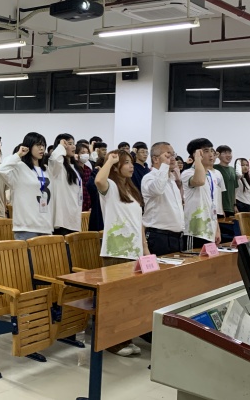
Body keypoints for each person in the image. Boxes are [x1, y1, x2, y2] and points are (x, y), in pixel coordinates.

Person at [94, 150, 146, 357]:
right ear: (116, 167)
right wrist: (110, 161)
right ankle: (113, 343)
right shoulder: (110, 186)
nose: (131, 166)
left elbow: (139, 222)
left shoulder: (131, 189)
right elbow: (98, 180)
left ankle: (126, 338)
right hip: (116, 250)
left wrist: (145, 248)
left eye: (131, 162)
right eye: (126, 163)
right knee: (116, 300)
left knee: (130, 300)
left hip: (134, 251)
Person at [0, 132, 53, 240]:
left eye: (43, 145)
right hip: (26, 227)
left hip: (45, 225)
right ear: (29, 146)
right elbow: (1, 169)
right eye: (38, 145)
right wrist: (18, 155)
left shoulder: (45, 169)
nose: (42, 148)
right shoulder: (19, 167)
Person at [141, 142, 184, 256]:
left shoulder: (172, 179)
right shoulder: (149, 177)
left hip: (176, 237)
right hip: (159, 236)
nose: (173, 158)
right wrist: (165, 165)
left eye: (173, 154)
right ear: (155, 159)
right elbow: (158, 189)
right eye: (168, 155)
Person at [182, 138, 221, 249]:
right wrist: (197, 160)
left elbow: (213, 203)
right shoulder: (188, 173)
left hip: (210, 229)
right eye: (206, 151)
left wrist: (216, 228)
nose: (211, 155)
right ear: (196, 154)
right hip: (195, 231)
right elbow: (199, 181)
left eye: (212, 151)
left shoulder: (212, 175)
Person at [48, 134, 83, 235]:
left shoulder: (74, 166)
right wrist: (61, 146)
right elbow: (55, 159)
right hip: (62, 220)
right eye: (69, 144)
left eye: (74, 144)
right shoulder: (57, 167)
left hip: (74, 216)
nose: (74, 147)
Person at [213, 145, 237, 217]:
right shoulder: (214, 168)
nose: (228, 155)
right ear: (218, 155)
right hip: (219, 206)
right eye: (224, 153)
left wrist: (235, 205)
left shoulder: (232, 169)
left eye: (229, 153)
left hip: (231, 207)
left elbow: (234, 189)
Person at [77, 143, 93, 211]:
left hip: (88, 202)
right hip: (78, 202)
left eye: (87, 153)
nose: (86, 155)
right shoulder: (73, 169)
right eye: (82, 152)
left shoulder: (88, 169)